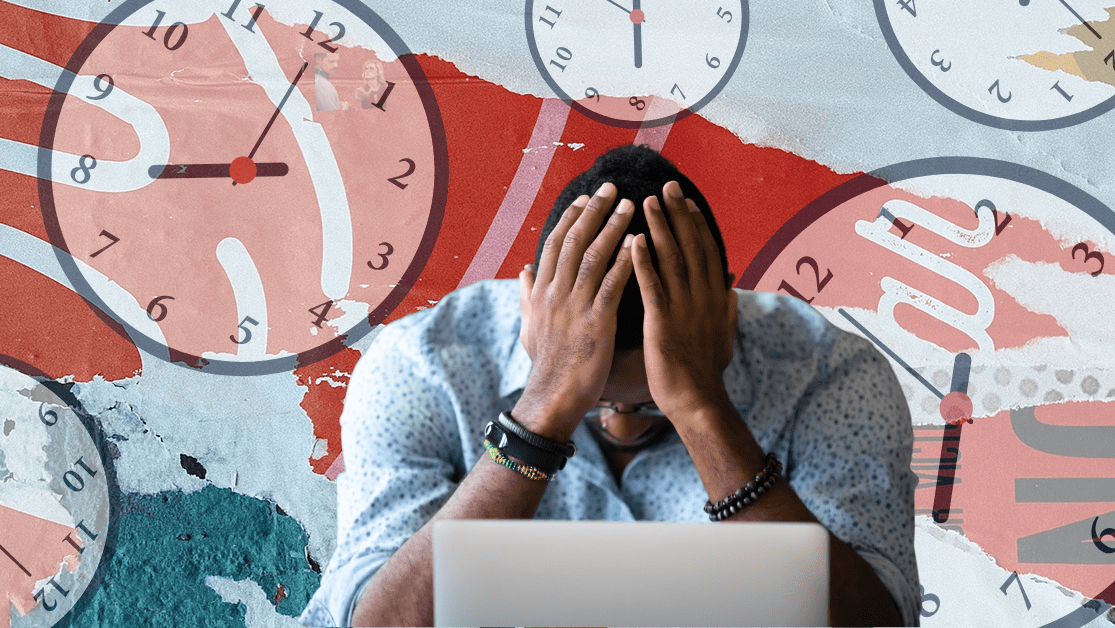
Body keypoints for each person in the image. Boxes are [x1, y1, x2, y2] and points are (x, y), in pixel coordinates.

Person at [299, 145, 920, 627]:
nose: (623, 425)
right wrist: (542, 412)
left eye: (653, 403)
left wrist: (703, 411)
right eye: (597, 406)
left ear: (726, 319)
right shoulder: (422, 366)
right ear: (530, 308)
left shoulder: (829, 375)